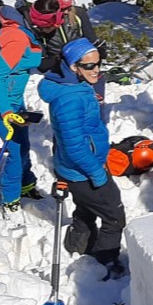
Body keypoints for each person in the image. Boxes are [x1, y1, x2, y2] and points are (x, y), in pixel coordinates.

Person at [38, 37, 127, 279]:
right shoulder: (69, 98)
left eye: (98, 64)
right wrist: (97, 173)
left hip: (76, 169)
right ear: (73, 66)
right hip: (84, 171)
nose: (96, 70)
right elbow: (75, 146)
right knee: (114, 215)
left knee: (86, 208)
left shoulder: (73, 86)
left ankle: (79, 245)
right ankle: (105, 261)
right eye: (89, 66)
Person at [0, 5, 43, 211]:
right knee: (15, 148)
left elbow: (24, 64)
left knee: (23, 144)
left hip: (13, 100)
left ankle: (26, 183)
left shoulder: (25, 34)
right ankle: (10, 199)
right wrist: (6, 111)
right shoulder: (15, 37)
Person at [40, 0, 107, 118]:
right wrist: (58, 64)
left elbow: (91, 39)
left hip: (84, 68)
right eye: (61, 9)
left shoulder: (78, 14)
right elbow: (40, 60)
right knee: (68, 116)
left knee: (94, 112)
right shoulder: (42, 21)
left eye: (68, 8)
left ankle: (96, 137)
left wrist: (99, 52)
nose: (65, 13)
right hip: (61, 75)